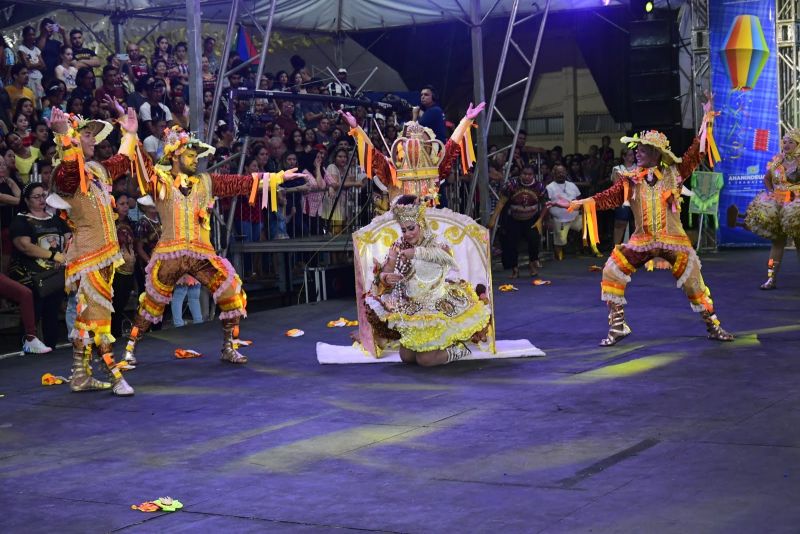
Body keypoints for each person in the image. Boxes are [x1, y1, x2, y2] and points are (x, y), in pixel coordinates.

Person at [121, 126, 304, 366]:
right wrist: (132, 134)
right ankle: (130, 347)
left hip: (201, 253)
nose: (195, 160)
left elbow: (240, 183)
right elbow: (142, 171)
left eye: (197, 156)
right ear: (174, 156)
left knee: (232, 294)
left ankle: (229, 346)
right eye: (189, 155)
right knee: (152, 304)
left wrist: (277, 177)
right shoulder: (161, 180)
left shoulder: (207, 182)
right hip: (170, 254)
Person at [558, 126, 734, 346]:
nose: (636, 153)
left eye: (642, 150)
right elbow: (608, 198)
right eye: (637, 149)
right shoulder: (630, 180)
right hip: (642, 241)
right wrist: (578, 204)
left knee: (694, 283)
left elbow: (695, 153)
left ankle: (713, 326)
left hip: (674, 241)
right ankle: (618, 326)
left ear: (656, 153)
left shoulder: (674, 173)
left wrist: (707, 120)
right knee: (612, 270)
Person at [48, 106, 138, 396]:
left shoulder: (97, 169)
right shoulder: (66, 174)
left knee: (87, 318)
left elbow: (123, 160)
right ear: (74, 139)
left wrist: (130, 132)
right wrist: (63, 136)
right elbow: (71, 171)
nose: (94, 140)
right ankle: (114, 375)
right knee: (98, 316)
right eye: (87, 135)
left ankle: (80, 375)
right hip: (88, 256)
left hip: (105, 254)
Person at [363, 195, 490, 366]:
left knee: (426, 360)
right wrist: (387, 275)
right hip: (413, 306)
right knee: (406, 357)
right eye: (404, 230)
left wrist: (416, 253)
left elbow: (443, 259)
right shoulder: (399, 245)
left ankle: (459, 349)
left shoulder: (437, 243)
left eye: (411, 228)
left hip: (437, 305)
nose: (407, 234)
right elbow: (384, 273)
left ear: (421, 223)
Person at [8, 182, 69, 351]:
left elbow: (69, 237)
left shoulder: (55, 218)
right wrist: (53, 255)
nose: (41, 199)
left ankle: (51, 349)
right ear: (27, 200)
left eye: (43, 195)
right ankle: (27, 347)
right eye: (36, 197)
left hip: (55, 275)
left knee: (52, 313)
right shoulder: (21, 221)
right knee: (33, 313)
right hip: (32, 277)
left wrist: (64, 254)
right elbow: (24, 246)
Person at [743, 129, 800, 289]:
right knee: (777, 243)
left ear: (797, 144)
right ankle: (771, 278)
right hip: (779, 205)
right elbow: (767, 178)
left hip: (796, 207)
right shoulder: (777, 160)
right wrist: (770, 192)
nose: (786, 144)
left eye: (791, 142)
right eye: (785, 141)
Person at [489, 165, 545, 277]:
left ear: (533, 175)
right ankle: (515, 269)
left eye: (530, 175)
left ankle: (532, 265)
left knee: (534, 241)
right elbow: (501, 202)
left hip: (532, 219)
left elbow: (546, 205)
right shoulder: (512, 184)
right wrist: (493, 219)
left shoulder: (539, 186)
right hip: (514, 218)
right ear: (520, 174)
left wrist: (541, 220)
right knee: (511, 243)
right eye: (524, 174)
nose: (527, 177)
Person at [110, 191, 136, 338]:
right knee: (115, 306)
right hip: (115, 271)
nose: (125, 207)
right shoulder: (110, 224)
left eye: (127, 204)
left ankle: (117, 336)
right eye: (122, 204)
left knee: (121, 305)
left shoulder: (130, 223)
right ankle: (113, 336)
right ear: (114, 206)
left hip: (129, 269)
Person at [545, 164, 583, 260]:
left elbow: (579, 199)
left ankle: (579, 250)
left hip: (574, 216)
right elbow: (546, 205)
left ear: (566, 173)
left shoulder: (572, 185)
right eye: (558, 172)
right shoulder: (549, 187)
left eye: (563, 172)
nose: (561, 174)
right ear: (554, 174)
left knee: (587, 226)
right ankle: (559, 256)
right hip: (559, 219)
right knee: (560, 240)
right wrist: (548, 220)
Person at [610, 147, 637, 244]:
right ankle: (616, 248)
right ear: (624, 157)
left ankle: (635, 248)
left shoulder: (639, 168)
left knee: (636, 224)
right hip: (623, 200)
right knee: (620, 224)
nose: (632, 157)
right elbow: (616, 186)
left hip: (636, 200)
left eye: (633, 154)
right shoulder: (617, 169)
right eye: (629, 155)